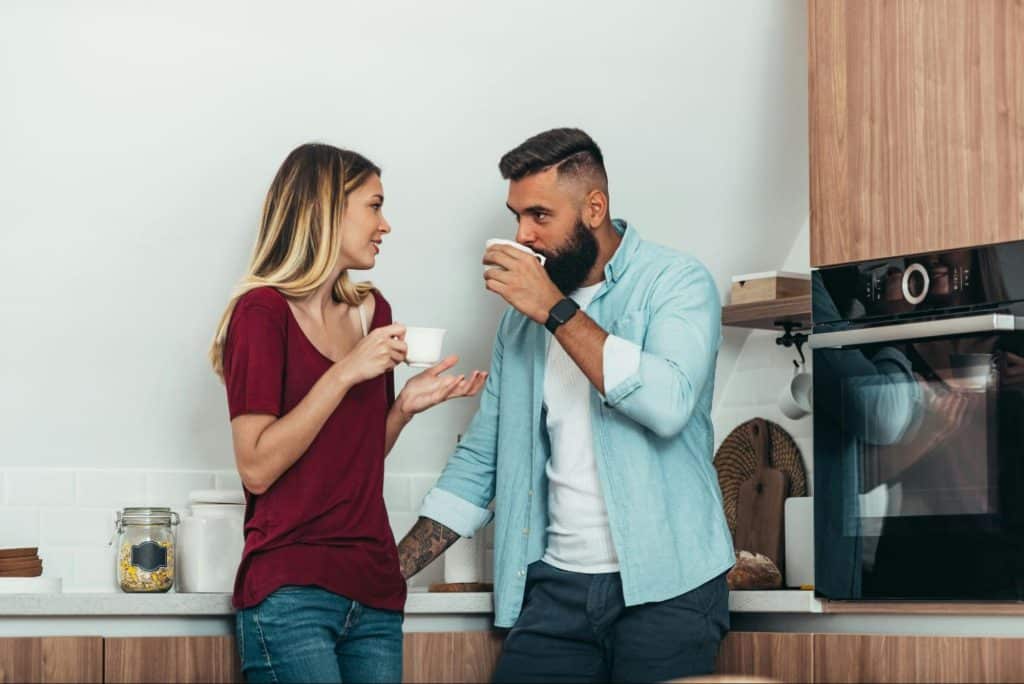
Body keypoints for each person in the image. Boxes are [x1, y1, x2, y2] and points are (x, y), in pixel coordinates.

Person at [397, 128, 735, 682]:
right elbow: (481, 462)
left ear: (594, 208)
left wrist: (554, 309)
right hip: (555, 591)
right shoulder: (519, 324)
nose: (523, 236)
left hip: (669, 589)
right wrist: (391, 572)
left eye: (539, 216)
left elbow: (669, 404)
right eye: (516, 217)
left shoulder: (675, 283)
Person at [209, 143, 486, 683]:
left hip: (375, 589)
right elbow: (258, 466)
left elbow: (349, 459)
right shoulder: (261, 314)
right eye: (374, 206)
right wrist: (344, 372)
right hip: (291, 590)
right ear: (326, 210)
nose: (386, 225)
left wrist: (402, 409)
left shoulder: (371, 312)